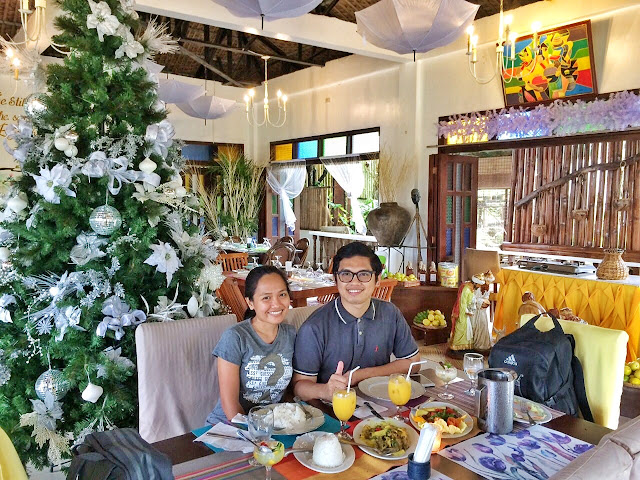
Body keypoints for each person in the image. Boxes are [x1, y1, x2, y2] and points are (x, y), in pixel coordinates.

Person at [292, 242, 420, 401]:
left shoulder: (390, 313)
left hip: (383, 402)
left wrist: (361, 375)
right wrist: (325, 391)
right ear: (335, 279)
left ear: (377, 279)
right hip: (334, 408)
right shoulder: (314, 327)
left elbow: (413, 362)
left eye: (364, 274)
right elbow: (300, 386)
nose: (354, 282)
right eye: (346, 274)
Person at [206, 266, 296, 424]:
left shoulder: (291, 335)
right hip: (229, 426)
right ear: (250, 303)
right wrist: (257, 434)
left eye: (282, 294)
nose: (276, 303)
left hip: (272, 426)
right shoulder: (235, 337)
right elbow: (231, 407)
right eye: (266, 298)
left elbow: (289, 393)